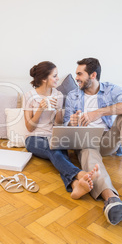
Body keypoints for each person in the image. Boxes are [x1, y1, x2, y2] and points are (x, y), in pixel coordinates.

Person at [63, 57, 122, 225]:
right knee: (87, 150)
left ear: (93, 75)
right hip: (85, 141)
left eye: (80, 74)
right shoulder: (73, 95)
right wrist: (71, 122)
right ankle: (112, 199)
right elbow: (65, 124)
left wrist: (99, 113)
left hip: (108, 140)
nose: (77, 78)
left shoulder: (110, 89)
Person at [24, 61, 99, 199]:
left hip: (53, 135)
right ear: (44, 79)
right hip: (34, 138)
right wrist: (41, 108)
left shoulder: (58, 95)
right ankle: (80, 174)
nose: (58, 79)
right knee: (53, 150)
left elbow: (58, 123)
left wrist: (58, 109)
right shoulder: (29, 96)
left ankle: (76, 185)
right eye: (55, 76)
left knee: (60, 154)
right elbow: (29, 127)